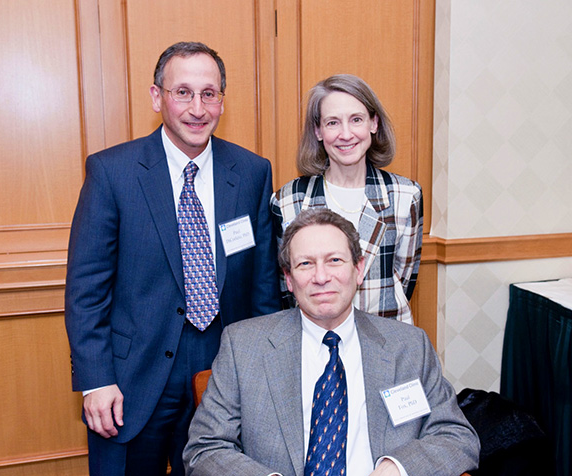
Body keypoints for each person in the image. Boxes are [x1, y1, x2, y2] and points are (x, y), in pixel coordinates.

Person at [64, 41, 281, 476]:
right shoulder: (112, 172)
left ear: (222, 99)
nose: (197, 108)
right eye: (183, 92)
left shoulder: (252, 171)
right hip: (132, 376)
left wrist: (263, 375)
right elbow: (86, 290)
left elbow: (262, 286)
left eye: (209, 93)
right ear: (156, 96)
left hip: (223, 369)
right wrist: (96, 379)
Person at [184, 208, 479, 476]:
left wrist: (397, 468)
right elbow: (205, 448)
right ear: (288, 278)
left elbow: (456, 437)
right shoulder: (244, 346)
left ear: (358, 269)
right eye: (305, 264)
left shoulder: (408, 346)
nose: (321, 277)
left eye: (334, 260)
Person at [270, 74, 423, 324]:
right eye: (332, 123)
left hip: (388, 336)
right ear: (318, 131)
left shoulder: (406, 196)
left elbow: (404, 282)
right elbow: (288, 288)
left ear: (373, 123)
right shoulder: (288, 201)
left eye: (356, 120)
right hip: (313, 337)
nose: (346, 134)